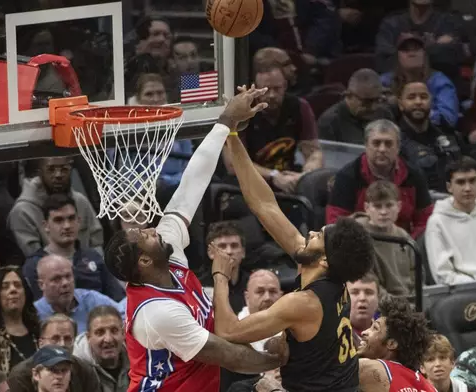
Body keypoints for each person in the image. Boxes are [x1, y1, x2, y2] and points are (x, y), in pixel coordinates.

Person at [103, 86, 285, 392]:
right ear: (145, 261)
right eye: (143, 235)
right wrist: (278, 359)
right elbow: (228, 356)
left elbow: (190, 186)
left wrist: (225, 123)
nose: (151, 229)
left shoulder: (169, 256)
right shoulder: (156, 312)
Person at [220, 90, 376, 392]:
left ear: (326, 259)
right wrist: (233, 132)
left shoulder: (303, 303)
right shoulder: (326, 272)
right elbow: (264, 205)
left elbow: (229, 330)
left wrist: (220, 276)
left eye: (320, 236)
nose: (313, 232)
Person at [356, 296, 436, 392]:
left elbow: (336, 365)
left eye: (375, 328)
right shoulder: (430, 388)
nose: (364, 332)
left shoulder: (370, 368)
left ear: (392, 344)